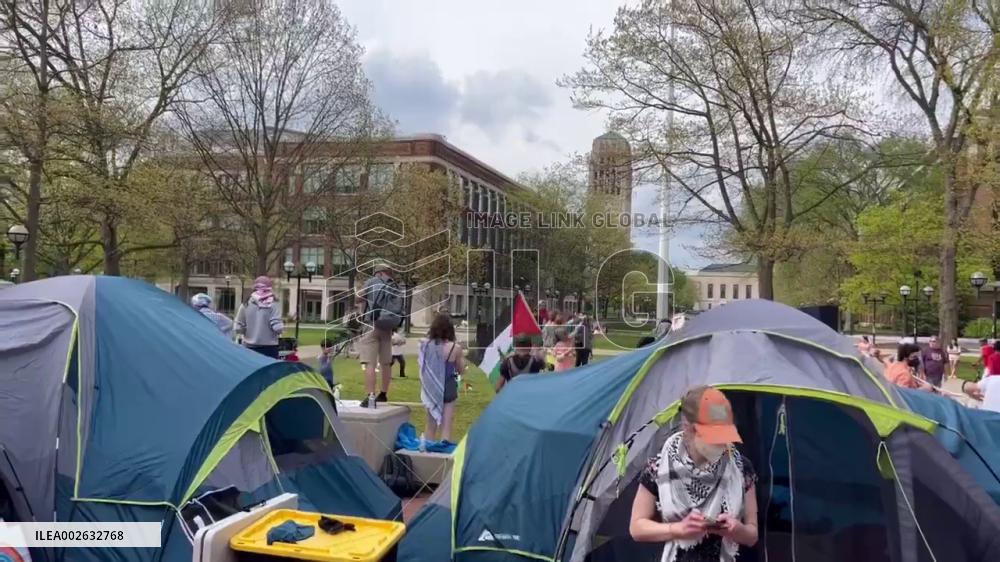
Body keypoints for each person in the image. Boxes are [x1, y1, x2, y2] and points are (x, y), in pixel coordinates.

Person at [630, 386, 758, 561]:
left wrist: (736, 530)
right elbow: (637, 528)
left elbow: (752, 535)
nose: (721, 443)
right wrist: (677, 529)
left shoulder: (741, 467)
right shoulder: (659, 468)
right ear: (688, 428)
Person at [418, 314, 464, 446]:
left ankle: (428, 451)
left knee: (430, 425)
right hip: (449, 385)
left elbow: (422, 367)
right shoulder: (455, 348)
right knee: (447, 424)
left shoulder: (426, 346)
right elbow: (461, 370)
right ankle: (444, 455)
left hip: (431, 388)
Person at [359, 263, 398, 408]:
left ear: (378, 272)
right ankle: (383, 393)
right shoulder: (394, 285)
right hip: (387, 327)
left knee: (370, 363)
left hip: (372, 324)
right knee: (386, 363)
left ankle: (370, 396)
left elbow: (359, 297)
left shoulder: (371, 282)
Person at [235, 276, 284, 358]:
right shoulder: (273, 304)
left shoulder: (245, 304)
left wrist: (248, 332)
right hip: (269, 348)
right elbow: (277, 327)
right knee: (268, 370)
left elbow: (238, 328)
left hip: (248, 347)